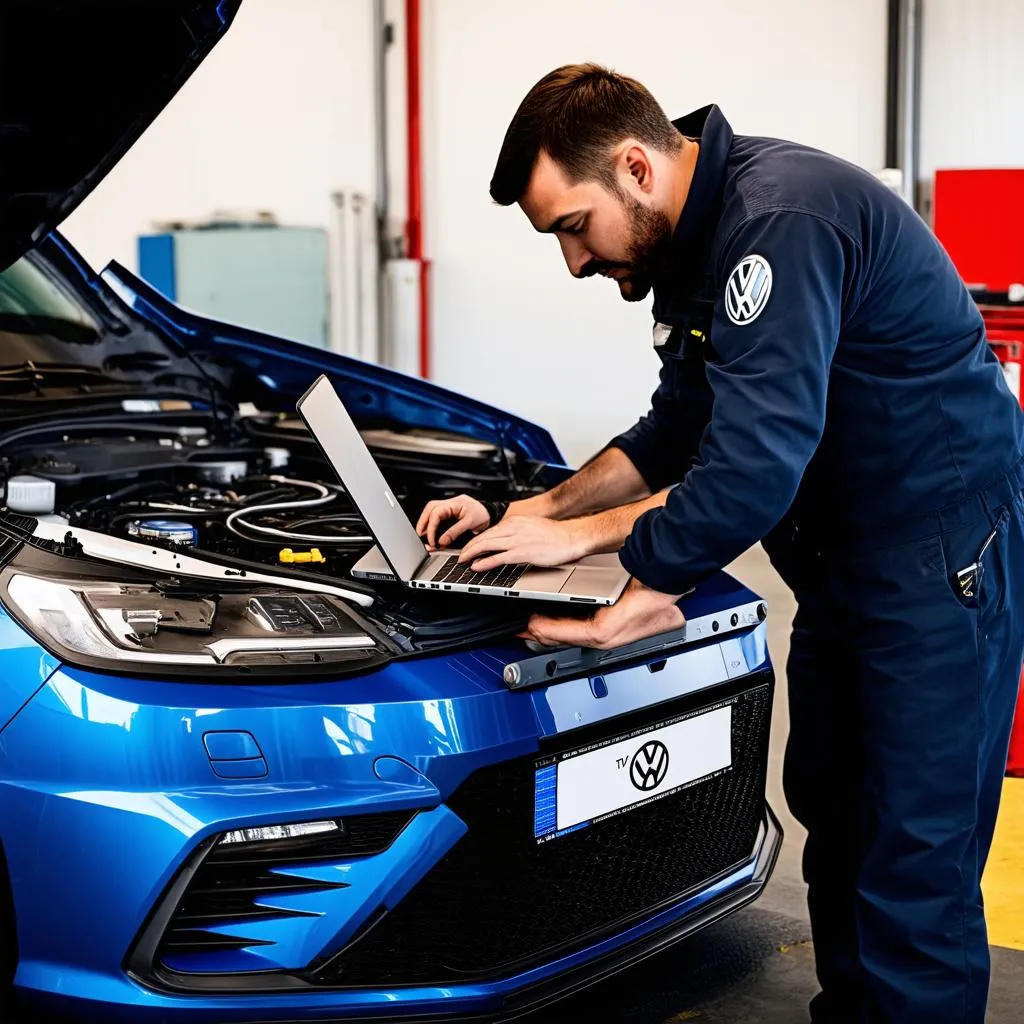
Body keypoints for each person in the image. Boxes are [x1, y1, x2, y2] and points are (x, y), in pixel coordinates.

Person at [415, 64, 1024, 1024]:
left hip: (935, 562)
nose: (574, 264)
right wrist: (539, 512)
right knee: (837, 814)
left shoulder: (778, 227)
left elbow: (748, 472)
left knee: (912, 855)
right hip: (843, 569)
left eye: (573, 227)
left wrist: (640, 575)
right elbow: (675, 429)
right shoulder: (696, 249)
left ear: (633, 168)